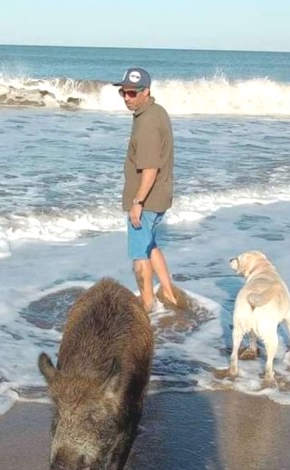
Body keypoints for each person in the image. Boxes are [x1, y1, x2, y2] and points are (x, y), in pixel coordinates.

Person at [112, 67, 180, 312]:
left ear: (145, 91)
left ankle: (148, 305)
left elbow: (150, 168)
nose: (127, 98)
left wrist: (137, 202)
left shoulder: (147, 122)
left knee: (140, 257)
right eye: (123, 93)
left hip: (147, 200)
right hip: (159, 197)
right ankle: (170, 295)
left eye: (131, 93)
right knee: (150, 246)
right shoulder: (156, 112)